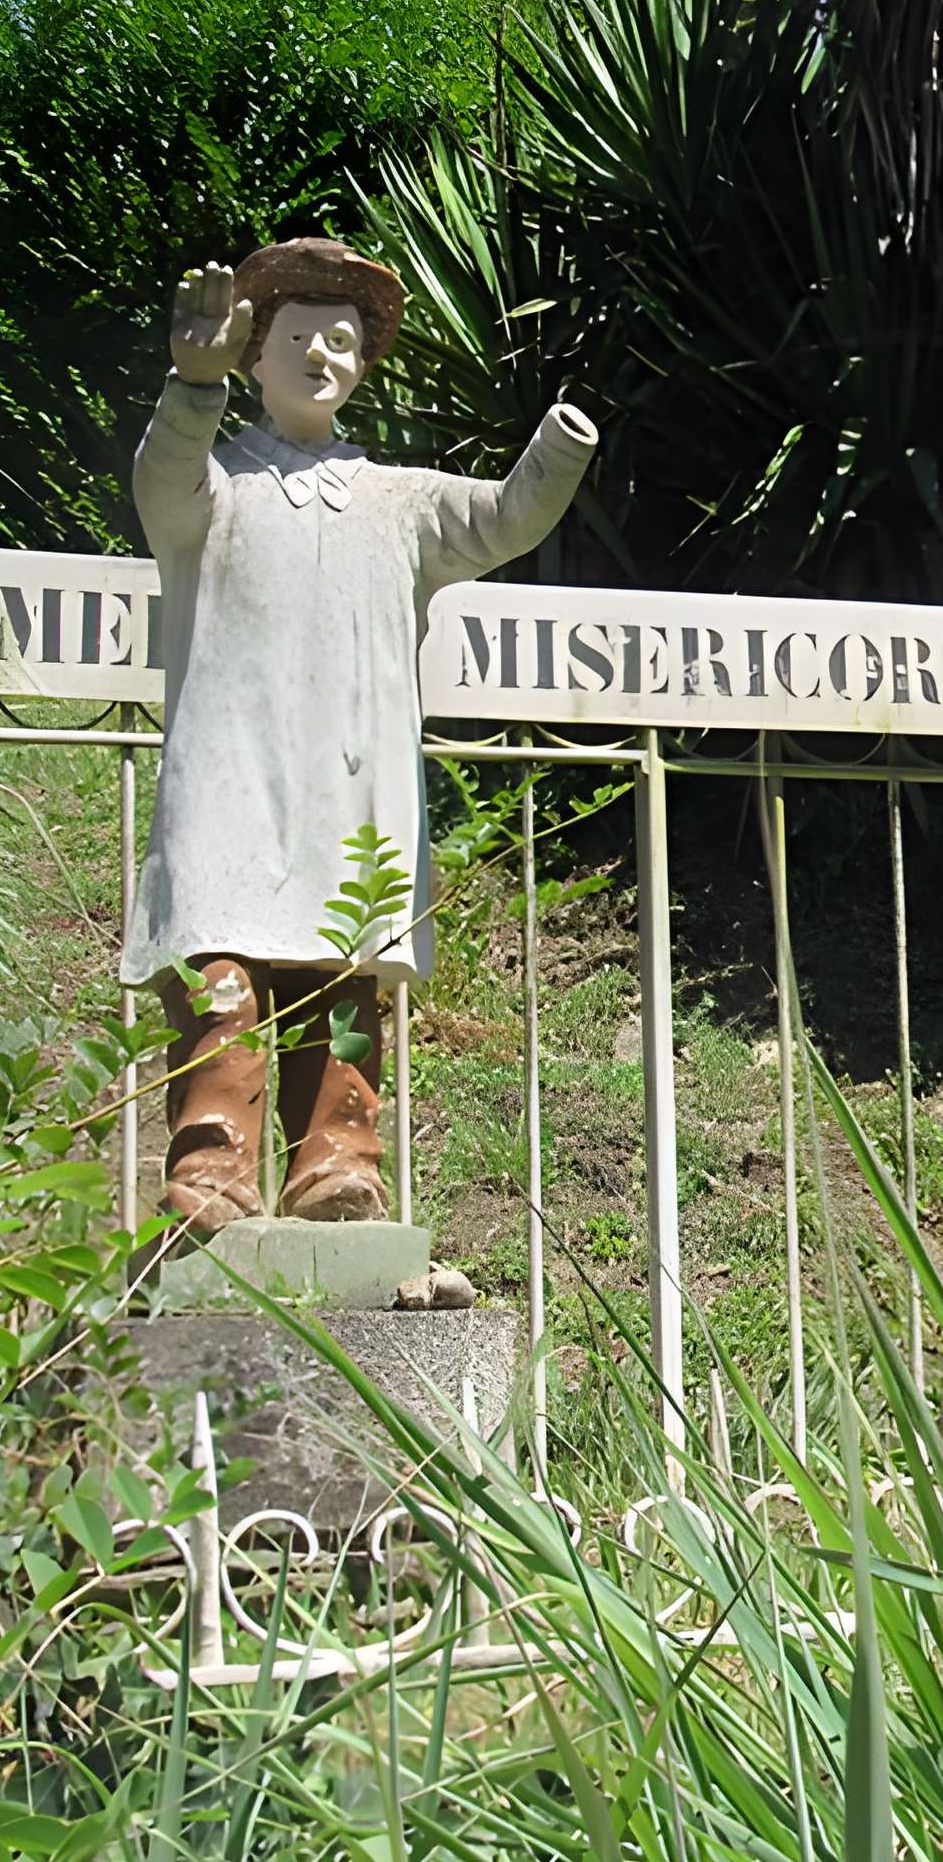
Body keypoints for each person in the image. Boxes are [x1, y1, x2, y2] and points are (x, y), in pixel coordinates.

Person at [122, 239, 597, 1232]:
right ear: (254, 358)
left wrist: (560, 444)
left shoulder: (403, 504)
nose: (319, 356)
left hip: (348, 784)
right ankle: (211, 1167)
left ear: (362, 368)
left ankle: (338, 1160)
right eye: (296, 337)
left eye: (340, 342)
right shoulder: (216, 489)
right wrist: (189, 388)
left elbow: (509, 516)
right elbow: (163, 480)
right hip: (231, 777)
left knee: (341, 979)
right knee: (223, 977)